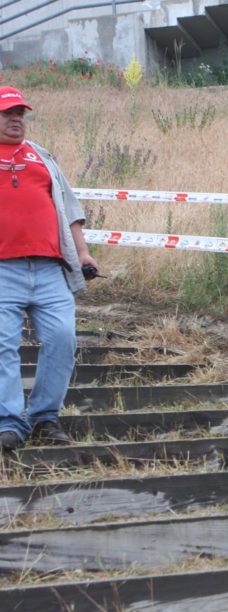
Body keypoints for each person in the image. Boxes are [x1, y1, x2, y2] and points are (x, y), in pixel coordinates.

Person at [0, 86, 99, 452]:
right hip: (2, 270)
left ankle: (44, 418)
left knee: (63, 339)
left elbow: (70, 210)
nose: (16, 120)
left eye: (20, 114)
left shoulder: (41, 156)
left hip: (49, 269)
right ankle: (9, 424)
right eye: (8, 114)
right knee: (3, 347)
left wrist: (84, 253)